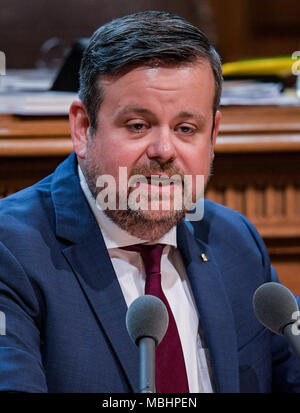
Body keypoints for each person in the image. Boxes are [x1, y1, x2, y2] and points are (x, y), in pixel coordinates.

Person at [0, 10, 300, 394]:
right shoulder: (12, 252)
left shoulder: (235, 242)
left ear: (213, 135)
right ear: (82, 128)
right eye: (138, 125)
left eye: (186, 129)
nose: (163, 150)